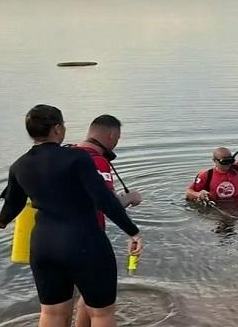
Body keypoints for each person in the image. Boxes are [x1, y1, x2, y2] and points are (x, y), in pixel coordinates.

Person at [0, 105, 143, 327]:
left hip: (43, 246)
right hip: (84, 242)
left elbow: (13, 205)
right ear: (58, 129)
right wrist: (133, 232)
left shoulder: (19, 165)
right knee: (101, 314)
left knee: (52, 314)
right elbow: (104, 200)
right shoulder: (77, 159)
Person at [71, 114, 142, 327]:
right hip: (87, 239)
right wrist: (129, 199)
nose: (116, 143)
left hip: (53, 239)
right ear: (112, 135)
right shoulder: (97, 161)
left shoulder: (67, 153)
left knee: (77, 298)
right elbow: (107, 203)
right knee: (103, 308)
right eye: (117, 138)